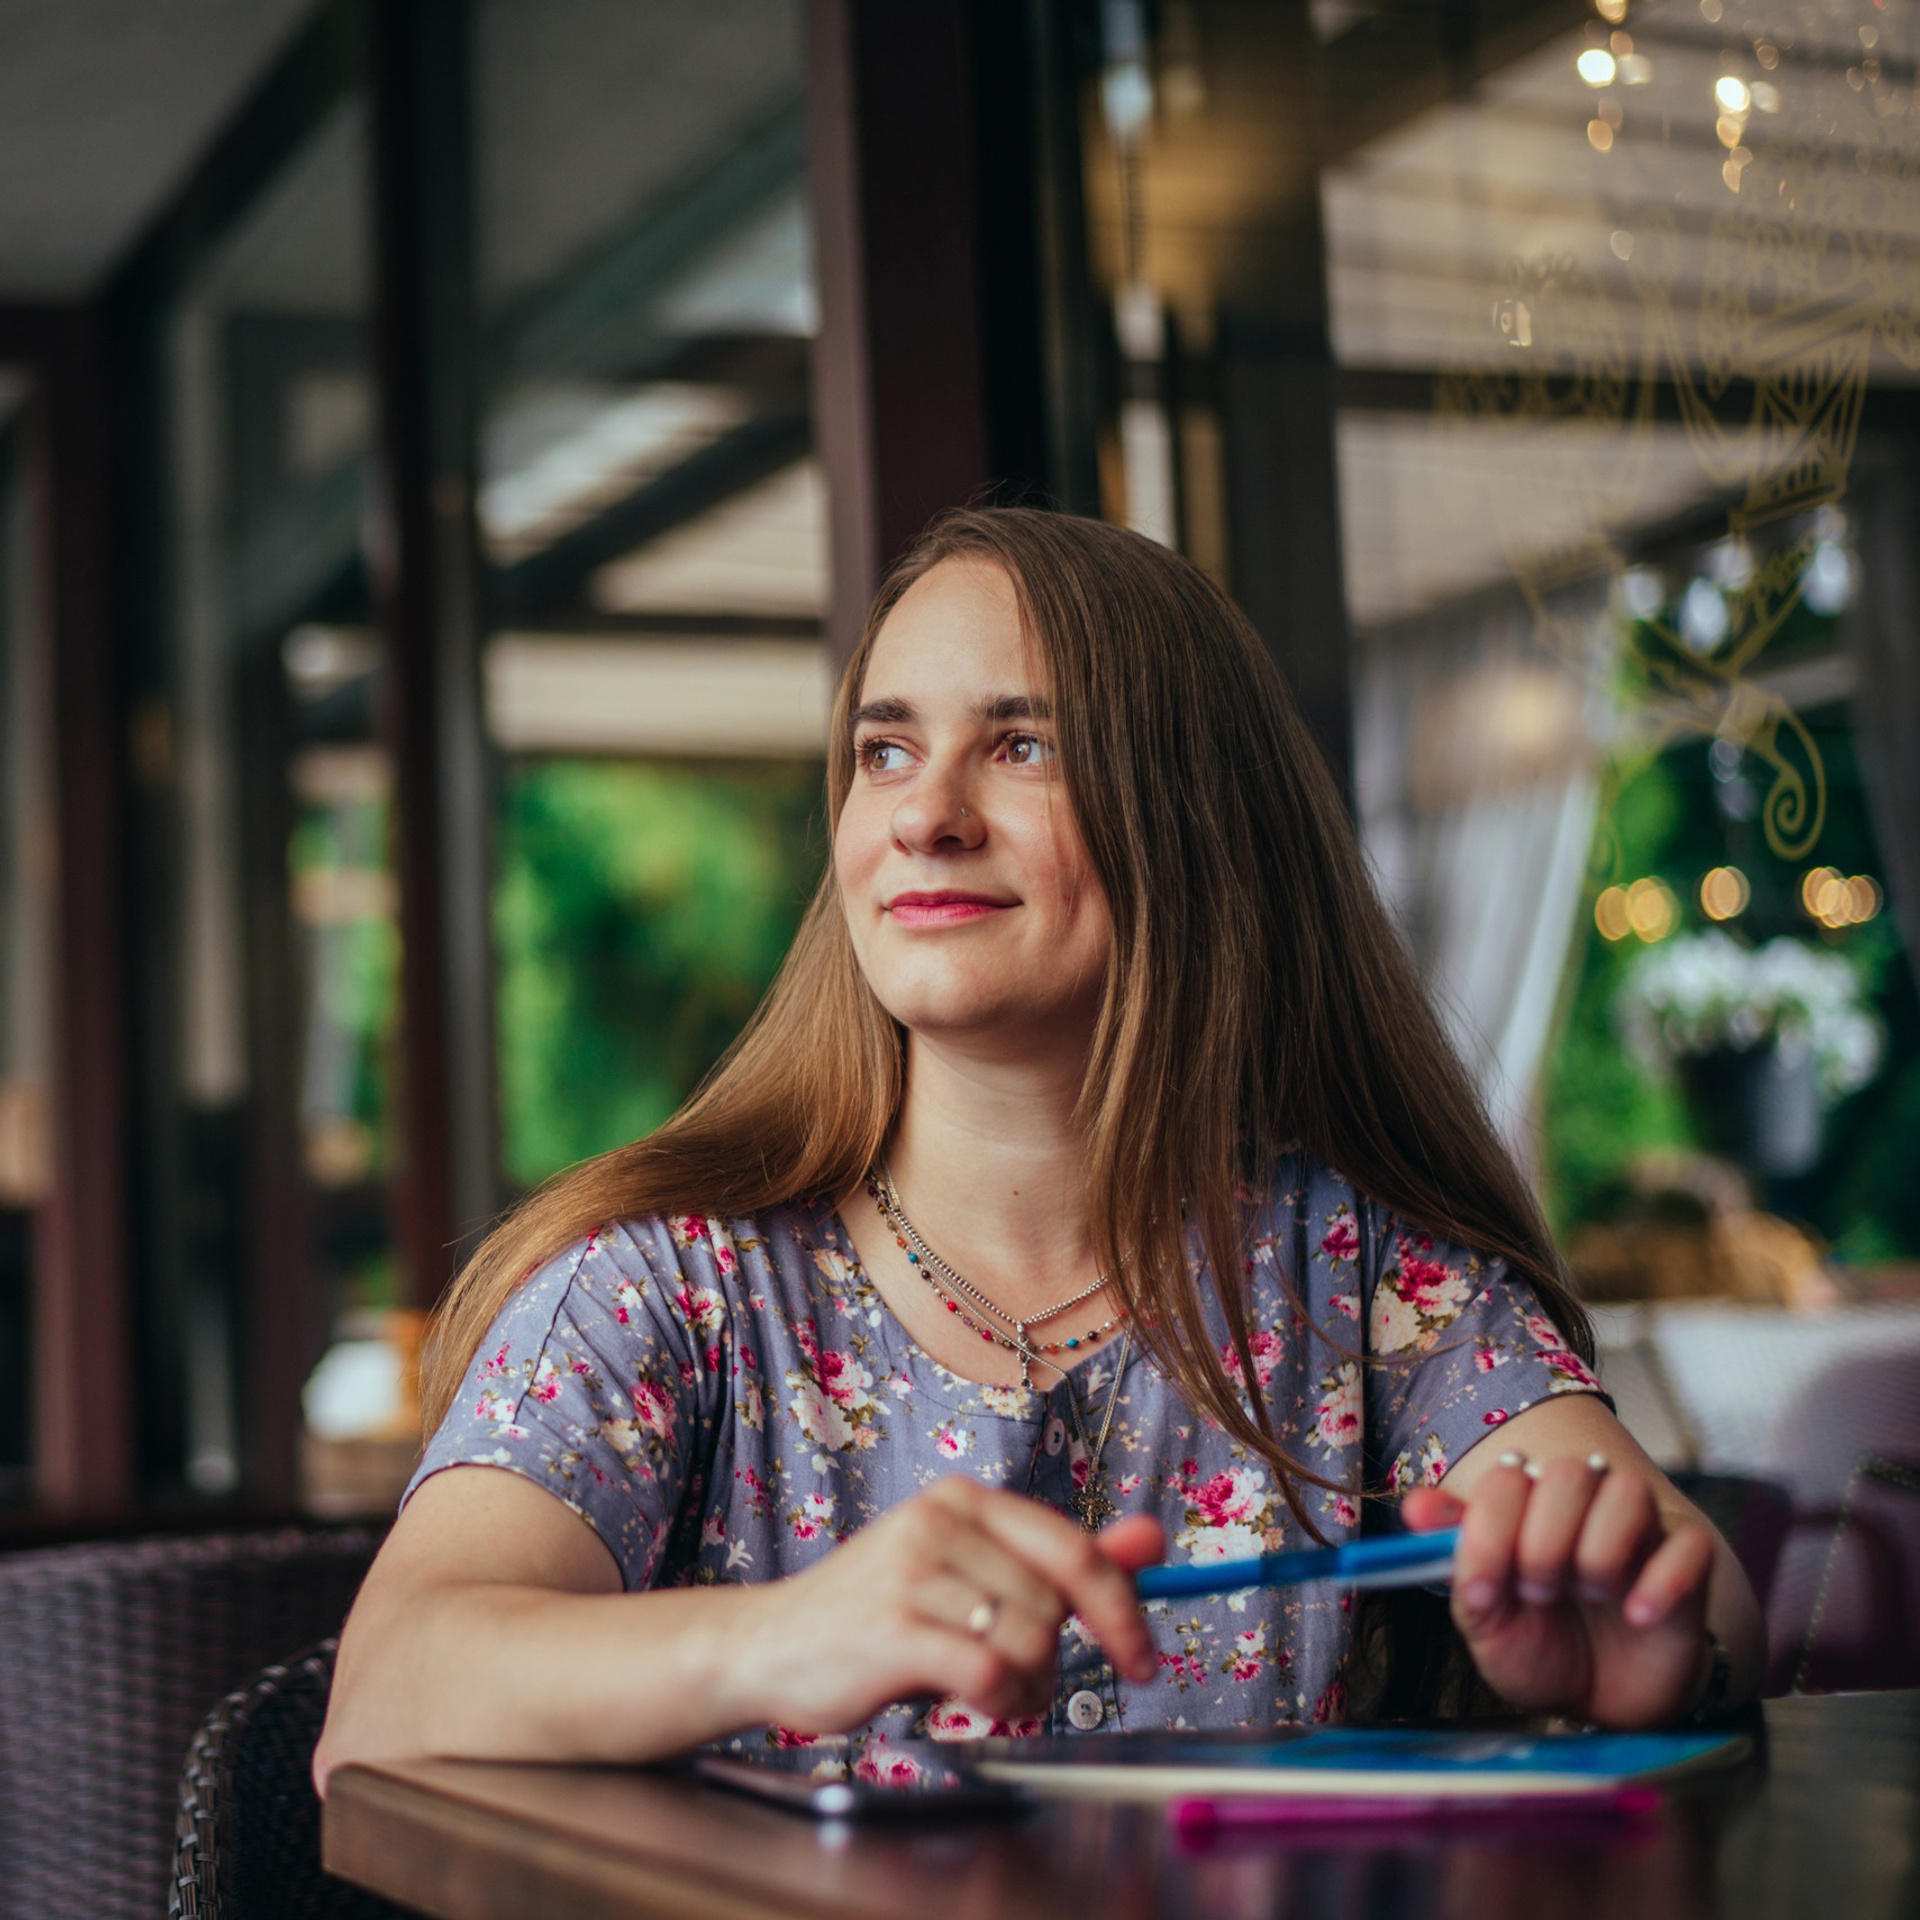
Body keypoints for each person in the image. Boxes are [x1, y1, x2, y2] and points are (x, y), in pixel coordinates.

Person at [315, 509, 1762, 1789]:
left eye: (1023, 745)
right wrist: (778, 1639)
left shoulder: (1360, 1260)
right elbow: (386, 1694)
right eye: (886, 749)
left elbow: (1676, 1574)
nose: (926, 817)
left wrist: (1652, 1650)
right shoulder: (660, 1294)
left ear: (1197, 822)